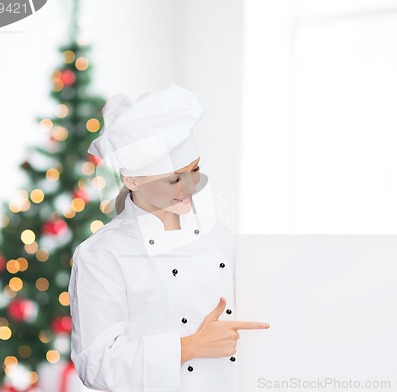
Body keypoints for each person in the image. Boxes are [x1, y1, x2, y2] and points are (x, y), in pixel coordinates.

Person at [67, 83, 270, 392]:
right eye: (173, 179)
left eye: (194, 170)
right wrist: (191, 346)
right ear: (131, 179)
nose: (188, 187)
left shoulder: (222, 238)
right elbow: (96, 365)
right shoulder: (101, 255)